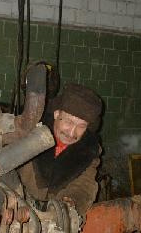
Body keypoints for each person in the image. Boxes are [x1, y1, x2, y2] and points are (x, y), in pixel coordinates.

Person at [18, 83, 103, 218]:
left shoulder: (88, 151)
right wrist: (15, 200)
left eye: (81, 126)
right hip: (18, 204)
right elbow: (6, 169)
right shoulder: (30, 131)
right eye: (68, 122)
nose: (72, 132)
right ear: (57, 114)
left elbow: (84, 186)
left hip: (54, 216)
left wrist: (71, 201)